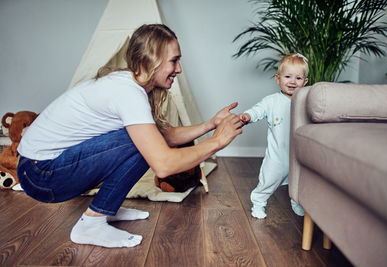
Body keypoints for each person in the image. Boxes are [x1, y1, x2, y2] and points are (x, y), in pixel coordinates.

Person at [17, 24, 243, 248]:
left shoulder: (130, 84)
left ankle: (106, 207)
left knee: (148, 140)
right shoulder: (128, 93)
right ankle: (92, 224)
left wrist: (210, 124)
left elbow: (166, 136)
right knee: (145, 146)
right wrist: (217, 142)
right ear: (150, 60)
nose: (179, 69)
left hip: (38, 169)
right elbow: (163, 164)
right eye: (174, 60)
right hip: (40, 175)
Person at [239, 53, 308, 219]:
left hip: (298, 155)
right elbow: (258, 110)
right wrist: (248, 116)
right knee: (268, 180)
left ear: (305, 82)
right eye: (288, 76)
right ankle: (258, 202)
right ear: (278, 79)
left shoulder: (305, 101)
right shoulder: (272, 101)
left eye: (298, 78)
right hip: (277, 155)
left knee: (299, 182)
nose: (292, 81)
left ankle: (296, 201)